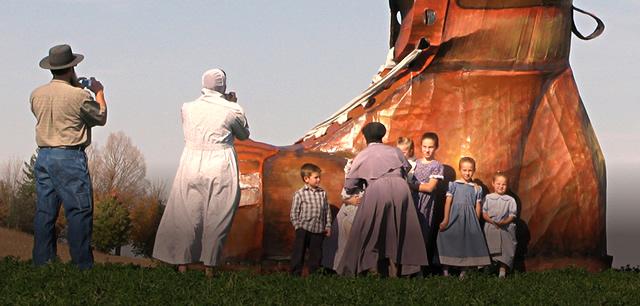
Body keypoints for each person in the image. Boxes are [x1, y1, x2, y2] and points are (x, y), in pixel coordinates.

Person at [153, 68, 250, 277]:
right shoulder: (232, 109)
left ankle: (182, 263)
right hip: (220, 160)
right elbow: (244, 134)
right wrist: (232, 103)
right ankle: (210, 267)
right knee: (219, 214)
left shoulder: (187, 107)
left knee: (187, 214)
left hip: (191, 160)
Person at [30, 44, 108, 269]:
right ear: (72, 67)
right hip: (70, 158)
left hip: (44, 155)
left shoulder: (36, 94)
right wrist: (99, 92)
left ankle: (42, 263)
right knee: (79, 211)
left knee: (45, 212)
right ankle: (82, 264)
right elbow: (100, 116)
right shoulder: (80, 95)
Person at [336, 122, 427, 277]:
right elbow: (406, 168)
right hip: (401, 188)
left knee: (366, 229)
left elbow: (350, 184)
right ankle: (399, 272)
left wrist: (360, 184)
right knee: (399, 230)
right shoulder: (395, 151)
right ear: (382, 136)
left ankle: (366, 270)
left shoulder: (362, 155)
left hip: (377, 188)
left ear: (365, 138)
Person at [437, 157, 491, 279]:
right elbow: (448, 203)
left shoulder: (477, 188)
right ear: (460, 170)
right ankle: (445, 269)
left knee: (466, 243)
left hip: (470, 219)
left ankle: (464, 270)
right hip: (454, 217)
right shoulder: (454, 185)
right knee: (447, 238)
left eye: (470, 170)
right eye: (465, 170)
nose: (467, 173)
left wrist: (476, 222)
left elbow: (478, 206)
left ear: (474, 170)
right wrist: (446, 219)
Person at [290, 163, 332, 276]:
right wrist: (298, 226)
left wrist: (327, 226)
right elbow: (294, 212)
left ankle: (314, 275)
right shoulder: (299, 194)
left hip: (318, 230)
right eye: (316, 177)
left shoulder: (322, 193)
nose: (319, 179)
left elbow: (327, 210)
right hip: (304, 228)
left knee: (316, 255)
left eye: (319, 177)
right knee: (299, 253)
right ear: (306, 179)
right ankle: (295, 274)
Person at [410, 132, 444, 267]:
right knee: (410, 230)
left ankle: (419, 267)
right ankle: (408, 266)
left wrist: (409, 186)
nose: (427, 150)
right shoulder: (415, 163)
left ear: (436, 147)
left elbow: (430, 188)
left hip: (425, 202)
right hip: (411, 200)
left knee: (423, 231)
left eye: (430, 147)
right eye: (424, 146)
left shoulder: (436, 166)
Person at [482, 172, 518, 278]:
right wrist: (492, 221)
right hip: (491, 225)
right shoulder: (488, 198)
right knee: (490, 246)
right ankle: (489, 268)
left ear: (507, 186)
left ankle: (503, 269)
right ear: (493, 183)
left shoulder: (510, 200)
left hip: (505, 227)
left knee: (505, 248)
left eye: (504, 184)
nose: (501, 186)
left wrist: (505, 222)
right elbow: (484, 213)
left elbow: (512, 215)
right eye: (498, 184)